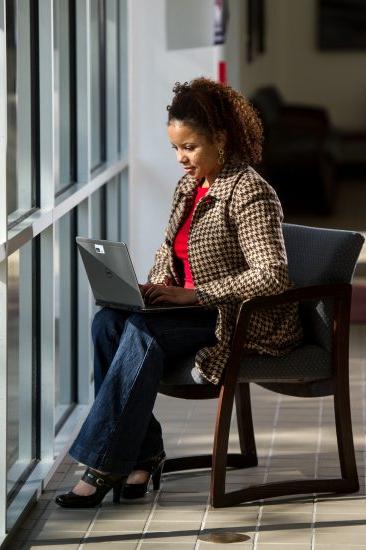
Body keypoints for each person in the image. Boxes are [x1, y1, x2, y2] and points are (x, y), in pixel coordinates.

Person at [55, 77, 303, 508]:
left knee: (142, 335)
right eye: (175, 148)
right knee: (108, 323)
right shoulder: (190, 187)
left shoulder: (250, 191)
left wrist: (195, 295)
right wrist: (153, 287)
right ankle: (144, 454)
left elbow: (273, 275)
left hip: (232, 317)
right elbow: (171, 252)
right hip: (187, 310)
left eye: (189, 147)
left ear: (221, 139)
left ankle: (101, 465)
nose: (181, 158)